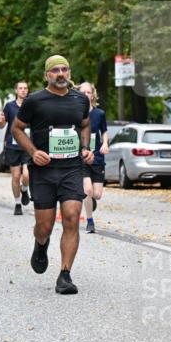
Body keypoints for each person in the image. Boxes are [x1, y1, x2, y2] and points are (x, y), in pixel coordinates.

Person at [13, 55, 92, 295]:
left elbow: (86, 124)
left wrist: (85, 148)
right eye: (55, 70)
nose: (60, 74)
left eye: (64, 69)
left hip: (71, 168)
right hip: (44, 172)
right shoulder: (35, 100)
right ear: (47, 74)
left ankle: (65, 275)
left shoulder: (80, 100)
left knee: (71, 217)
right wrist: (33, 152)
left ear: (69, 72)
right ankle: (41, 244)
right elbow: (16, 128)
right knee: (44, 226)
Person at [77, 82, 108, 233]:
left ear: (92, 95)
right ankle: (90, 221)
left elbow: (104, 132)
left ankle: (90, 201)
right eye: (82, 92)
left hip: (97, 158)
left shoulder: (99, 114)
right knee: (87, 190)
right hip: (81, 156)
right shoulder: (75, 113)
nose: (86, 95)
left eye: (88, 92)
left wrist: (105, 144)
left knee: (97, 194)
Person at [0, 81, 32, 215]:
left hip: (28, 144)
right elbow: (1, 126)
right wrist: (0, 123)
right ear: (16, 91)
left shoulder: (31, 106)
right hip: (12, 145)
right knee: (16, 176)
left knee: (27, 174)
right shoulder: (9, 106)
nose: (23, 90)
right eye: (20, 88)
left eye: (25, 88)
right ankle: (18, 203)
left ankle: (24, 189)